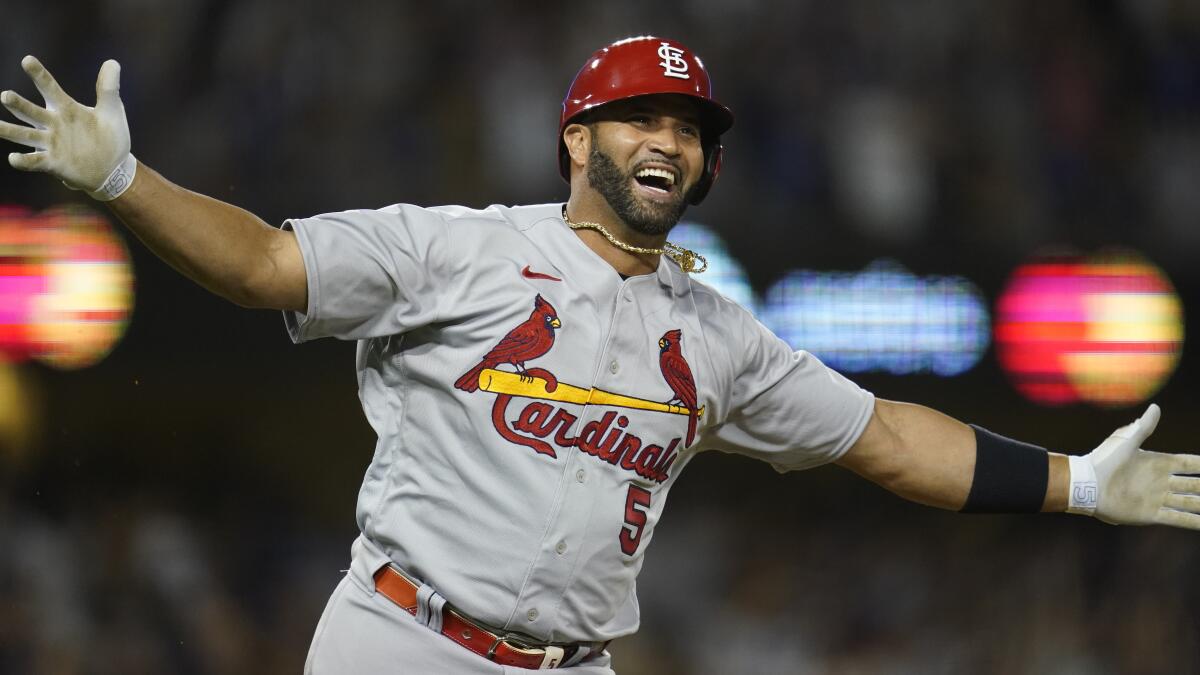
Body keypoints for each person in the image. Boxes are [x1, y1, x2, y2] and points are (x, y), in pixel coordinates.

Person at [2, 36, 1198, 673]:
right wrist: (122, 179)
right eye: (641, 119)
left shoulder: (719, 334)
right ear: (579, 137)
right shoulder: (457, 251)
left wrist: (1081, 484)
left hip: (571, 670)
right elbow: (263, 265)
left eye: (688, 128)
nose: (667, 140)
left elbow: (886, 438)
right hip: (401, 643)